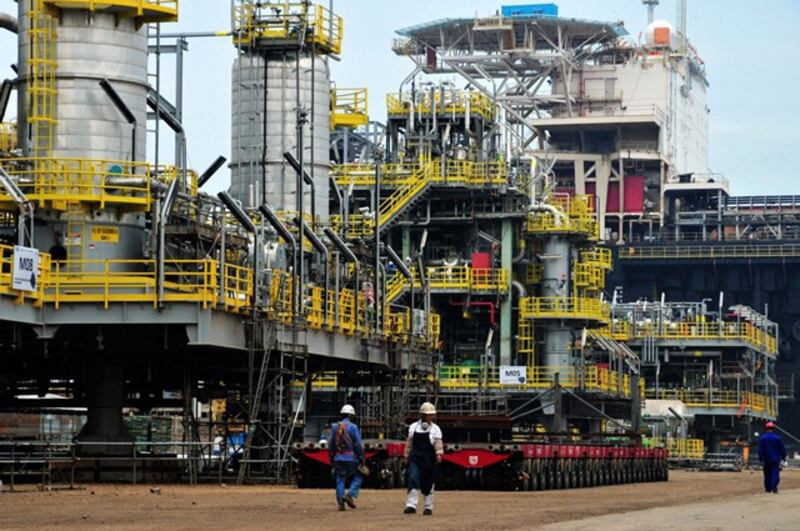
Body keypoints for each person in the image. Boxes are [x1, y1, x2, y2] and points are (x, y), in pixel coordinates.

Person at [404, 402, 443, 516]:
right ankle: (411, 505)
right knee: (413, 478)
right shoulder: (413, 427)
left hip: (429, 459)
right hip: (416, 458)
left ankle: (428, 507)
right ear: (423, 415)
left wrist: (439, 454)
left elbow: (438, 443)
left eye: (432, 415)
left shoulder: (435, 429)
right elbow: (409, 443)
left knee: (428, 482)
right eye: (428, 415)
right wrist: (406, 455)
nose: (431, 417)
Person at [328, 404, 365, 511]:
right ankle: (350, 494)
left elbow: (331, 443)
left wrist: (331, 457)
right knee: (359, 475)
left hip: (338, 458)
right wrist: (361, 458)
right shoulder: (353, 427)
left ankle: (340, 504)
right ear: (351, 416)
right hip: (351, 458)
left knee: (340, 479)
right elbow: (358, 444)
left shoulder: (335, 427)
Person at [758, 421, 787, 494]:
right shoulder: (777, 438)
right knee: (775, 473)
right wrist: (783, 457)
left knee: (767, 474)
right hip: (775, 459)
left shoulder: (763, 438)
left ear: (766, 428)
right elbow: (782, 449)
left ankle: (767, 489)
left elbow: (760, 449)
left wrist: (760, 458)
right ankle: (774, 488)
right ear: (773, 429)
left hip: (766, 459)